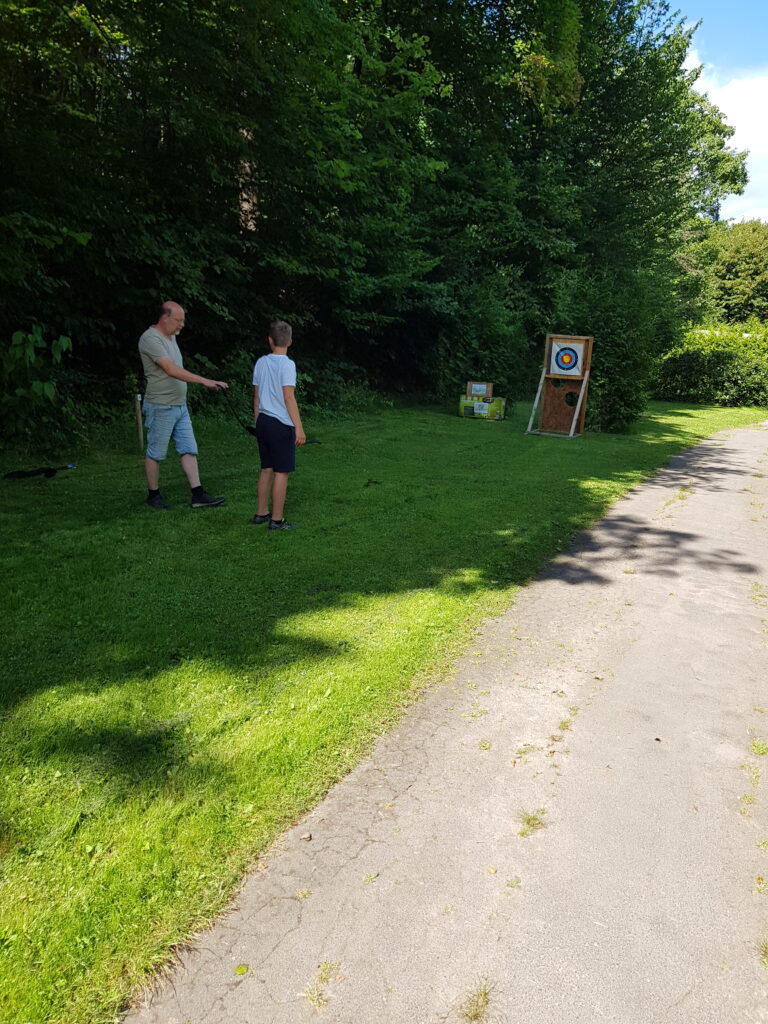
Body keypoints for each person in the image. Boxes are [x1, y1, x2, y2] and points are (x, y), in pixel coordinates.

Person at [138, 301, 228, 510]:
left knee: (189, 449)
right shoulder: (150, 338)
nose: (181, 326)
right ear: (165, 318)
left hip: (180, 405)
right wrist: (205, 381)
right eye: (178, 321)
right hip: (161, 405)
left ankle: (198, 494)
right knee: (156, 452)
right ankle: (153, 495)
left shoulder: (172, 337)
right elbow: (170, 369)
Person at [250, 320, 306, 530]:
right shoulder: (287, 364)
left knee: (266, 468)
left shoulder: (261, 362)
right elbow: (289, 397)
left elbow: (256, 397)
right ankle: (276, 520)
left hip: (263, 420)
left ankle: (261, 513)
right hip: (280, 424)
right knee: (281, 472)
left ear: (270, 341)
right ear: (290, 342)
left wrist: (257, 423)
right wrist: (298, 428)